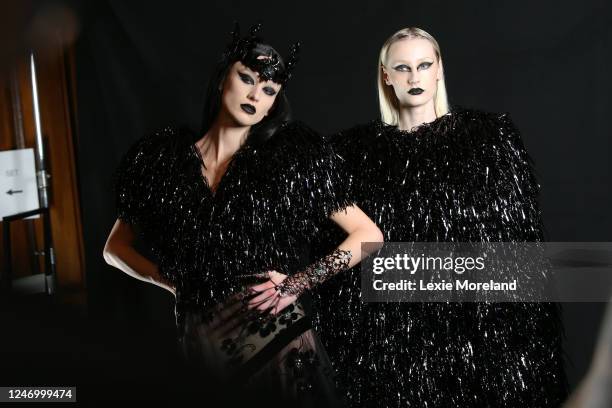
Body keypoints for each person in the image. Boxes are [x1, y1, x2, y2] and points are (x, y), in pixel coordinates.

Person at [103, 23, 382, 406]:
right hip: (205, 342)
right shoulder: (162, 162)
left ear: (273, 103)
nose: (255, 94)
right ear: (222, 80)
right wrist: (174, 284)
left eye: (268, 89)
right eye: (247, 78)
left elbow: (368, 235)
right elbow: (114, 248)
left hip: (280, 341)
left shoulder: (290, 158)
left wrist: (299, 282)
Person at [313, 27, 567, 407]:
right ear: (386, 75)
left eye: (423, 65)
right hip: (392, 343)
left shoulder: (489, 139)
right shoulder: (351, 155)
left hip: (480, 334)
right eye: (402, 67)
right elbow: (339, 246)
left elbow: (518, 245)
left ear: (439, 69)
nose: (414, 77)